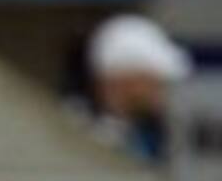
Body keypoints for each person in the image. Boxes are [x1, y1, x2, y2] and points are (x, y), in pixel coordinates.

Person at [74, 13, 193, 164]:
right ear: (125, 81)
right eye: (155, 83)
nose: (163, 93)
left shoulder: (143, 138)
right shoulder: (82, 140)